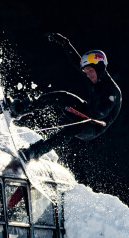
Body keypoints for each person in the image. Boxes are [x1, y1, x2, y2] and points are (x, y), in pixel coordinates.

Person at [9, 32, 122, 161]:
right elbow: (76, 61)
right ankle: (22, 109)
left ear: (100, 68)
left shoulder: (112, 92)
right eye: (86, 71)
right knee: (61, 96)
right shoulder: (94, 76)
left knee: (73, 128)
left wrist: (79, 112)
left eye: (90, 71)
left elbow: (101, 113)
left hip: (93, 126)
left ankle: (36, 151)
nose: (88, 75)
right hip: (86, 110)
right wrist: (65, 43)